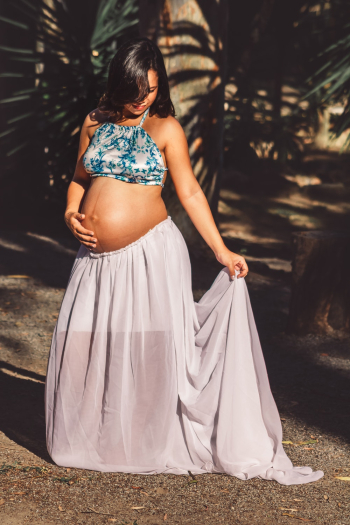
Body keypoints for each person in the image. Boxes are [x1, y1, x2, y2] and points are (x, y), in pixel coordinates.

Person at [45, 37, 323, 486]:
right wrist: (68, 212)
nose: (142, 99)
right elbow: (79, 178)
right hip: (95, 261)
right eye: (134, 90)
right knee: (84, 345)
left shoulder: (166, 128)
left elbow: (190, 192)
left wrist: (220, 250)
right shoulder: (94, 121)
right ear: (118, 82)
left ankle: (145, 439)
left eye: (151, 90)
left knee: (148, 348)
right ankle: (95, 436)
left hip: (150, 254)